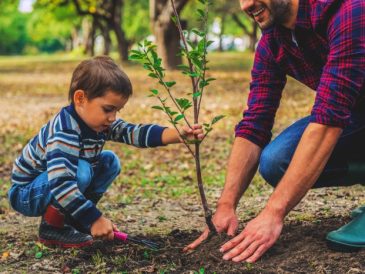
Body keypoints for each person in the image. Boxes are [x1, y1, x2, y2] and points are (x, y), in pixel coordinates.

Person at [186, 0, 365, 263]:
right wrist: (226, 205)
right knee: (277, 160)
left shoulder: (350, 11)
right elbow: (255, 123)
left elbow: (328, 121)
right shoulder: (274, 41)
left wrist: (273, 213)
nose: (246, 5)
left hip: (344, 115)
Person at [8, 56, 204, 248]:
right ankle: (53, 227)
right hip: (27, 193)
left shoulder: (99, 123)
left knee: (109, 161)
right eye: (108, 109)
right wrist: (94, 219)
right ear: (80, 98)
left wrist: (177, 134)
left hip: (54, 185)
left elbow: (133, 132)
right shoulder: (65, 131)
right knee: (81, 170)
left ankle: (75, 219)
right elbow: (60, 183)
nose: (112, 118)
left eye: (117, 110)